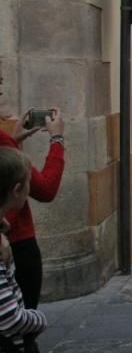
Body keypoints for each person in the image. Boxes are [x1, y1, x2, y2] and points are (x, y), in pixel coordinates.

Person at [0, 148, 78, 353]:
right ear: (18, 190)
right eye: (27, 184)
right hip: (4, 352)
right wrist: (38, 319)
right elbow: (8, 318)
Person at [0, 108, 65, 311]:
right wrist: (57, 139)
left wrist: (14, 143)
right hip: (16, 242)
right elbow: (46, 189)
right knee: (19, 315)